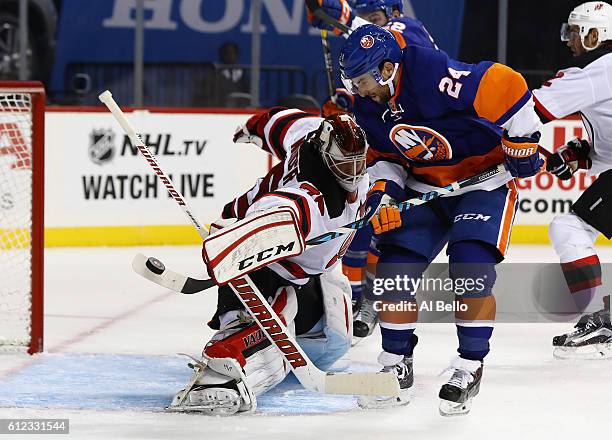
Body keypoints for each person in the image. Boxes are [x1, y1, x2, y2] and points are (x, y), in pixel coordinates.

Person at [336, 24, 545, 415]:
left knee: (470, 268)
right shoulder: (366, 105)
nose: (358, 89)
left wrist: (522, 140)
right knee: (394, 271)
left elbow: (504, 83)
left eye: (362, 80)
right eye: (353, 81)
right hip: (425, 188)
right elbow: (386, 159)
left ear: (387, 69)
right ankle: (395, 364)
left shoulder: (429, 73)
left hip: (483, 183)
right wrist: (383, 195)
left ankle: (469, 365)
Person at [168, 107, 370, 414]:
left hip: (316, 274)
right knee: (274, 328)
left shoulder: (310, 132)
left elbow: (280, 121)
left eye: (359, 162)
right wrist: (234, 246)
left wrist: (251, 127)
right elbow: (272, 213)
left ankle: (262, 341)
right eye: (345, 163)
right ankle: (222, 371)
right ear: (326, 156)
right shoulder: (305, 200)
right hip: (270, 269)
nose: (354, 172)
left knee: (335, 345)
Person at [314, 0, 440, 344]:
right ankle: (358, 300)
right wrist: (348, 100)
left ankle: (368, 300)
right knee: (368, 220)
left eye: (376, 19)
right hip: (400, 144)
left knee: (388, 235)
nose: (371, 26)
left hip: (421, 151)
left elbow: (373, 41)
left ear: (393, 15)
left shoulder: (406, 30)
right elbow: (377, 91)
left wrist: (339, 13)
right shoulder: (385, 74)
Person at [531, 1, 612, 359]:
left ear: (596, 35)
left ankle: (603, 323)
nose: (569, 40)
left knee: (569, 228)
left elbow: (527, 113)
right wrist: (579, 152)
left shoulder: (596, 73)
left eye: (575, 32)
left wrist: (520, 148)